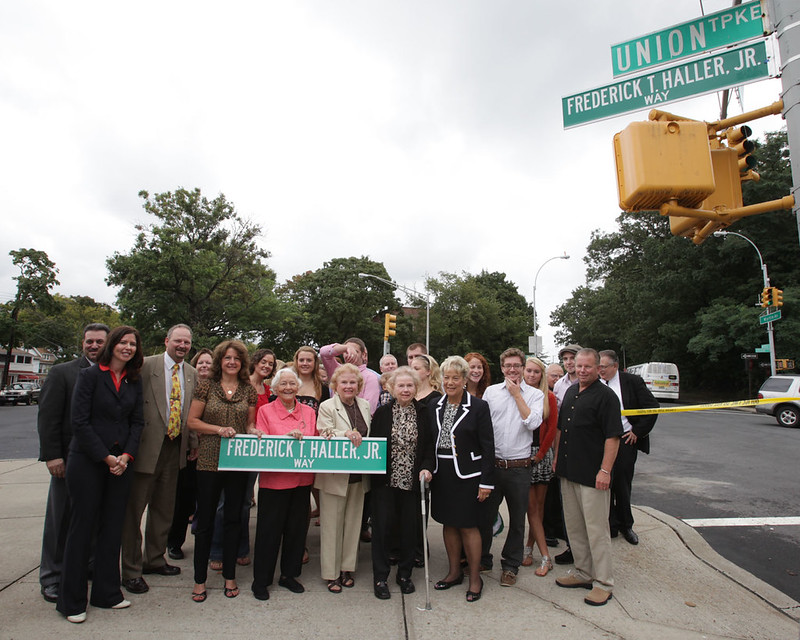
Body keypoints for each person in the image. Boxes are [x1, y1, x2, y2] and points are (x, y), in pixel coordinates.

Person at [56, 326, 145, 623]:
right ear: (112, 345)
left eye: (133, 344)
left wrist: (125, 456)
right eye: (123, 342)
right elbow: (79, 422)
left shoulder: (134, 379)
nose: (128, 348)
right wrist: (106, 457)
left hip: (121, 463)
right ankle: (72, 602)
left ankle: (108, 593)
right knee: (82, 530)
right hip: (89, 461)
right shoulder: (90, 376)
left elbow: (137, 422)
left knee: (112, 528)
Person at [121, 324, 197, 595]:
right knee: (134, 512)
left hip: (174, 448)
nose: (182, 346)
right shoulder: (145, 366)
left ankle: (153, 559)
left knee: (164, 510)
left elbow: (189, 413)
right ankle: (130, 570)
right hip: (144, 449)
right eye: (178, 341)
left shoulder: (191, 373)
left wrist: (192, 444)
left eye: (187, 343)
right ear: (167, 341)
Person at [37, 322, 109, 603]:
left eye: (99, 341)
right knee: (61, 520)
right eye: (89, 341)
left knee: (92, 517)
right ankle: (52, 577)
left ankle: (87, 565)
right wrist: (53, 455)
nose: (94, 346)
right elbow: (48, 417)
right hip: (68, 460)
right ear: (83, 343)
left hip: (101, 459)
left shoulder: (113, 373)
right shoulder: (62, 372)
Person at [187, 340, 258, 603]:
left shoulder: (248, 390)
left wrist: (253, 431)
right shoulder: (207, 386)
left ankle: (230, 575)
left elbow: (249, 423)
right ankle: (199, 580)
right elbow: (192, 421)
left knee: (233, 519)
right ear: (220, 361)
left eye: (236, 359)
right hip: (208, 460)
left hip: (237, 461)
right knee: (205, 521)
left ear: (242, 363)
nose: (232, 362)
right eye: (227, 358)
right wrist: (218, 430)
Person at [554, 348, 623, 607]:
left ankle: (604, 582)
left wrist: (605, 471)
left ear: (598, 368)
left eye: (587, 367)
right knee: (575, 528)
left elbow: (613, 437)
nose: (581, 370)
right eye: (578, 366)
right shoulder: (571, 391)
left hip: (594, 477)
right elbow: (561, 430)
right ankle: (583, 572)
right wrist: (557, 459)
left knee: (597, 531)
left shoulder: (606, 397)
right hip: (568, 472)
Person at [429, 356, 494, 603]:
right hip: (442, 474)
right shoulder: (435, 404)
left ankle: (475, 577)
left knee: (468, 525)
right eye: (446, 377)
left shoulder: (478, 407)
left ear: (465, 380)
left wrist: (486, 482)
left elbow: (489, 446)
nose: (450, 382)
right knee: (449, 523)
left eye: (456, 378)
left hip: (469, 475)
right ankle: (454, 572)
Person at [251, 368, 317, 600]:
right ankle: (261, 580)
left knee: (297, 532)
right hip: (274, 483)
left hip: (301, 482)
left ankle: (289, 575)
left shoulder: (309, 412)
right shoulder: (266, 411)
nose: (288, 388)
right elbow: (263, 443)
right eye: (283, 384)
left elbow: (316, 443)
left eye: (292, 384)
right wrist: (284, 438)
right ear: (275, 388)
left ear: (298, 388)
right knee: (268, 533)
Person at [480, 347, 544, 587]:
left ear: (523, 366)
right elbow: (483, 427)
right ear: (502, 367)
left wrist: (517, 394)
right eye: (508, 366)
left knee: (518, 520)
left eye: (517, 365)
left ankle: (510, 565)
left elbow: (532, 423)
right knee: (485, 517)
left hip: (519, 467)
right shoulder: (491, 392)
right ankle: (484, 559)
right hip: (493, 465)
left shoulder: (535, 395)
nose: (512, 370)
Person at [369, 366, 434, 599]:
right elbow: (374, 446)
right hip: (384, 483)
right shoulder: (383, 413)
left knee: (409, 530)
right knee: (383, 530)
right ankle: (380, 577)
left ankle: (404, 574)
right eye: (401, 385)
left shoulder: (425, 412)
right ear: (391, 388)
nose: (405, 389)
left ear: (416, 387)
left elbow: (429, 446)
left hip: (412, 482)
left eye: (409, 385)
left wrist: (427, 467)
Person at [315, 364, 371, 593]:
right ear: (335, 385)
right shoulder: (327, 406)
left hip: (359, 475)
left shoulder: (365, 405)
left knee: (353, 524)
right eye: (344, 382)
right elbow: (323, 432)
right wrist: (345, 434)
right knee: (332, 526)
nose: (348, 386)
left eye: (352, 383)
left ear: (359, 386)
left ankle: (348, 568)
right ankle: (331, 573)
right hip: (334, 475)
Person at [598, 349, 658, 545]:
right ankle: (610, 524)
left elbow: (652, 407)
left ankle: (626, 525)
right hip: (600, 442)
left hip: (624, 440)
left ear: (615, 366)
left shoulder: (632, 382)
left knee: (622, 484)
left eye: (604, 367)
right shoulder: (594, 382)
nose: (600, 370)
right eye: (598, 366)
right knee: (603, 485)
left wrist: (637, 432)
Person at [167, 348, 211, 560]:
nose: (204, 367)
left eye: (209, 363)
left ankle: (205, 538)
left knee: (208, 500)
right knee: (183, 499)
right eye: (201, 363)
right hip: (188, 450)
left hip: (212, 451)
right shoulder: (186, 385)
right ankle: (174, 542)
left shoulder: (218, 388)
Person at [521, 357, 558, 575]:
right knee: (531, 508)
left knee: (539, 507)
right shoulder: (519, 395)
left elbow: (552, 429)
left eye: (536, 372)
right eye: (529, 371)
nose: (532, 375)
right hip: (523, 454)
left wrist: (542, 454)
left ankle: (530, 547)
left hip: (541, 455)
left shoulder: (549, 397)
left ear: (541, 375)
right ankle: (544, 555)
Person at [552, 344, 581, 566]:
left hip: (583, 448)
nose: (569, 362)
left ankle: (583, 551)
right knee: (567, 501)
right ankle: (572, 546)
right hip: (562, 445)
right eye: (567, 359)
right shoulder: (559, 386)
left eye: (573, 359)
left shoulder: (590, 385)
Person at [320, 338, 381, 415]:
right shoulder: (336, 370)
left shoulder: (371, 377)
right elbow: (323, 353)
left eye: (356, 351)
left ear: (363, 355)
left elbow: (369, 408)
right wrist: (345, 348)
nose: (350, 354)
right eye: (346, 352)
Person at [292, 346, 330, 414]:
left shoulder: (323, 389)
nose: (305, 363)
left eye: (309, 360)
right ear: (296, 362)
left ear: (315, 363)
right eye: (301, 360)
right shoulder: (287, 384)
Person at [553, 344, 582, 409]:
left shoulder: (592, 384)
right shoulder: (558, 385)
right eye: (565, 359)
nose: (568, 362)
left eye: (572, 358)